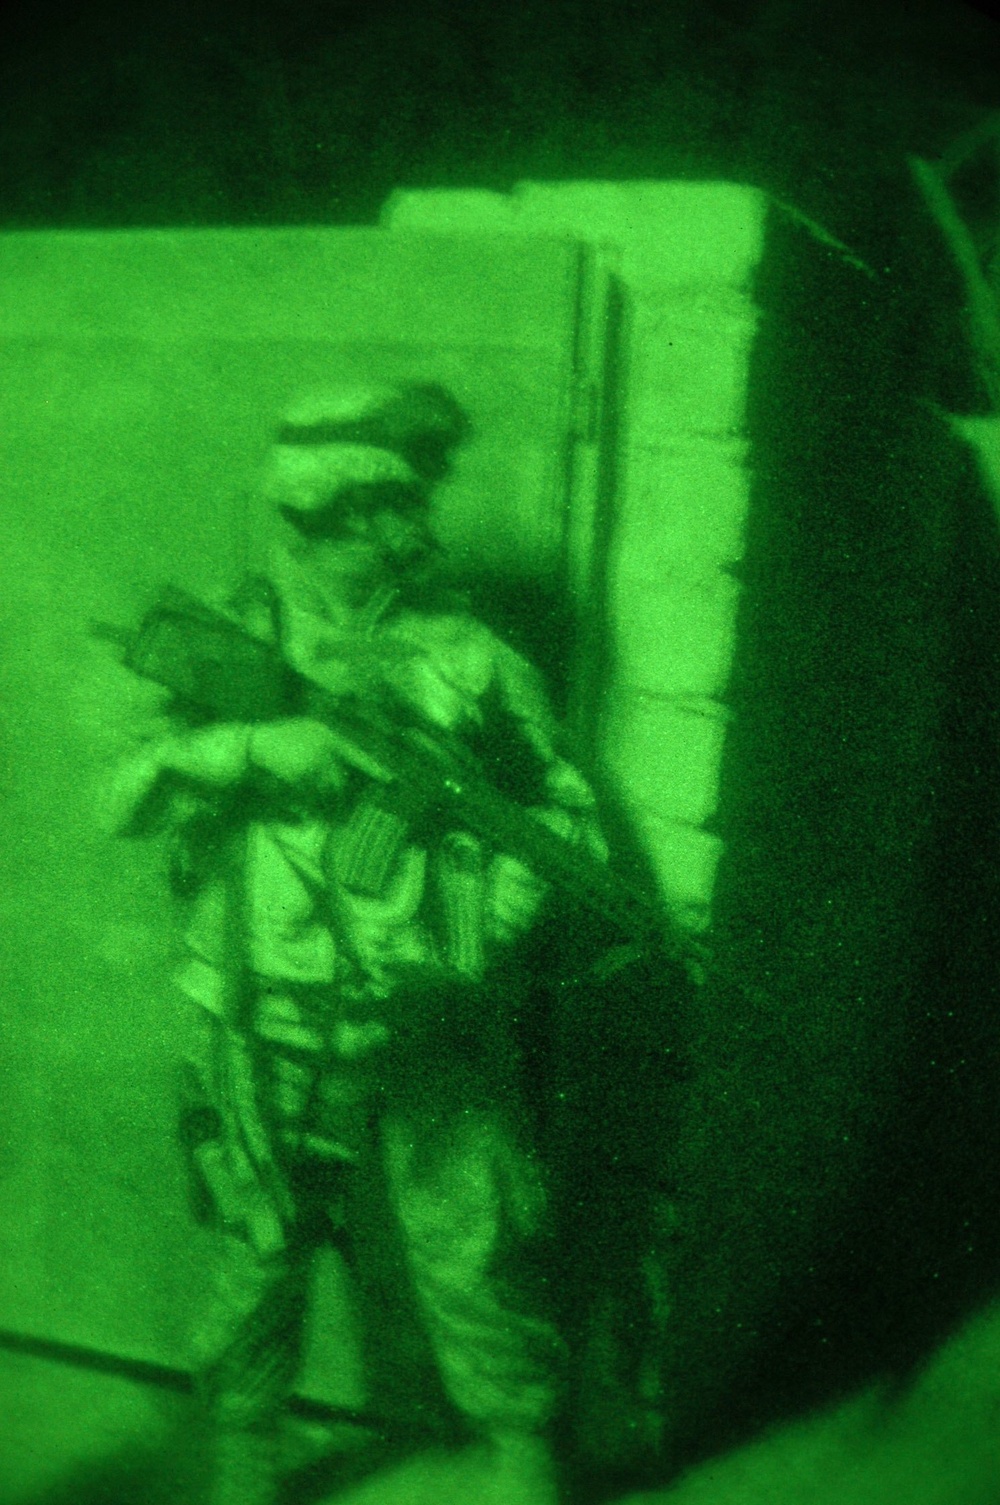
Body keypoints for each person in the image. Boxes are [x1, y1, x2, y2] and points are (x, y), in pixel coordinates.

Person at [106, 381, 607, 1505]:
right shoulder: (222, 641)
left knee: (475, 1244)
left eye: (409, 510)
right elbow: (121, 796)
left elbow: (558, 817)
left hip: (432, 1010)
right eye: (380, 513)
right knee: (259, 1247)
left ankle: (520, 1447)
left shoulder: (468, 657)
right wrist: (243, 748)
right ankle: (246, 1454)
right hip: (258, 1007)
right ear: (314, 515)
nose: (407, 534)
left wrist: (487, 939)